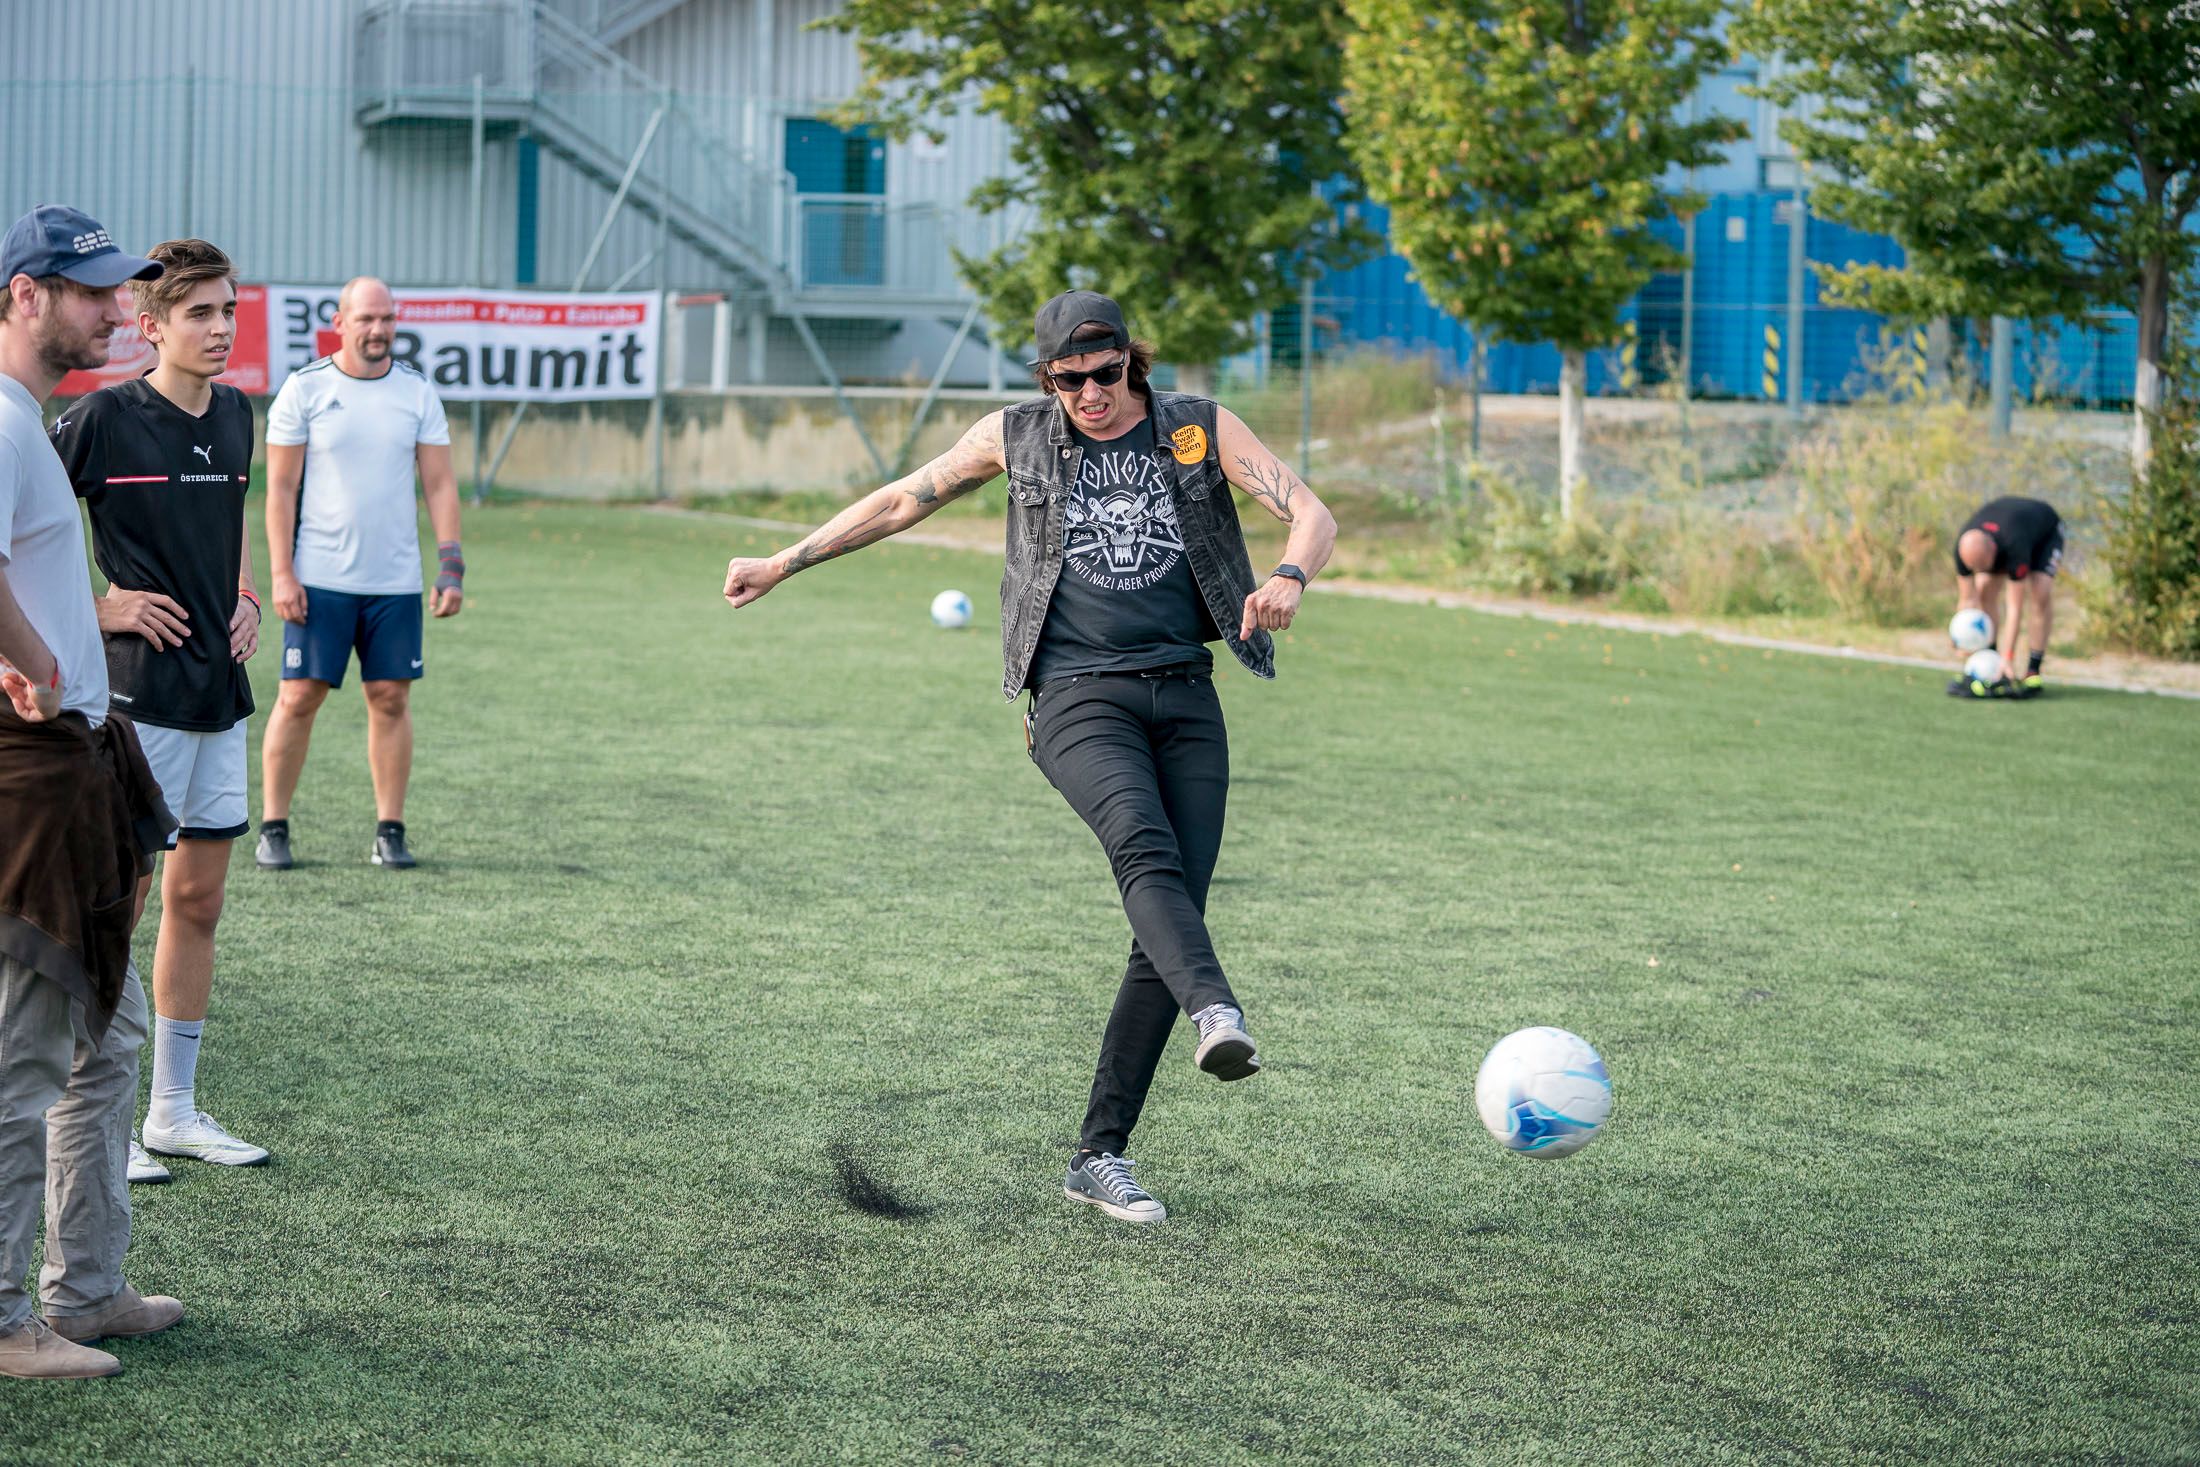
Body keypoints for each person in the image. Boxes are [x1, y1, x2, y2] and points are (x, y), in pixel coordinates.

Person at [722, 290, 1337, 1224]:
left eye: (1103, 373)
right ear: (1046, 377)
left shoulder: (1198, 429)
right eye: (1067, 380)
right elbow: (902, 499)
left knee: (1165, 921)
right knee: (1143, 850)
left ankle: (1099, 1155)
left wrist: (1289, 574)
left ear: (1132, 359)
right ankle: (1219, 1010)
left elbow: (1313, 514)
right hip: (1075, 697)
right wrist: (783, 560)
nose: (1088, 394)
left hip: (1187, 691)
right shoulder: (1017, 436)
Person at [0, 205, 182, 1380]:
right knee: (22, 1057)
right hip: (30, 774)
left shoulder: (25, 420)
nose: (118, 311)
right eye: (92, 292)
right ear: (24, 294)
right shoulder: (3, 419)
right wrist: (32, 663)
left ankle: (87, 1288)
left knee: (110, 1032)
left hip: (79, 755)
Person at [50, 239, 268, 1181]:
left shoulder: (237, 413)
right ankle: (92, 1110)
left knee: (200, 898)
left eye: (228, 311)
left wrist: (248, 592)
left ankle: (174, 1111)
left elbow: (229, 528)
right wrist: (102, 606)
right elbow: (28, 534)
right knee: (121, 903)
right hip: (137, 699)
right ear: (151, 327)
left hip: (219, 690)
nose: (221, 330)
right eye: (200, 314)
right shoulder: (99, 417)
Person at [255, 276, 463, 870]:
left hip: (394, 582)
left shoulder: (417, 393)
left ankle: (389, 831)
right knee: (298, 697)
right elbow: (281, 490)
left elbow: (441, 483)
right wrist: (282, 573)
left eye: (387, 319)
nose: (378, 330)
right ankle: (274, 826)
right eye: (366, 318)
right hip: (318, 579)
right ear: (340, 322)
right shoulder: (305, 389)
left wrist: (451, 566)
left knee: (391, 698)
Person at [1949, 495, 2062, 699]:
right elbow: (1967, 600)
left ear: (1993, 552)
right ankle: (1990, 659)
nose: (1980, 570)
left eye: (1985, 566)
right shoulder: (1963, 548)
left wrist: (2008, 657)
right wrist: (1962, 639)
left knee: (2040, 592)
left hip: (2043, 534)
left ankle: (2032, 671)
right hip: (2006, 531)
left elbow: (2014, 608)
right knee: (1984, 587)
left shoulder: (2014, 544)